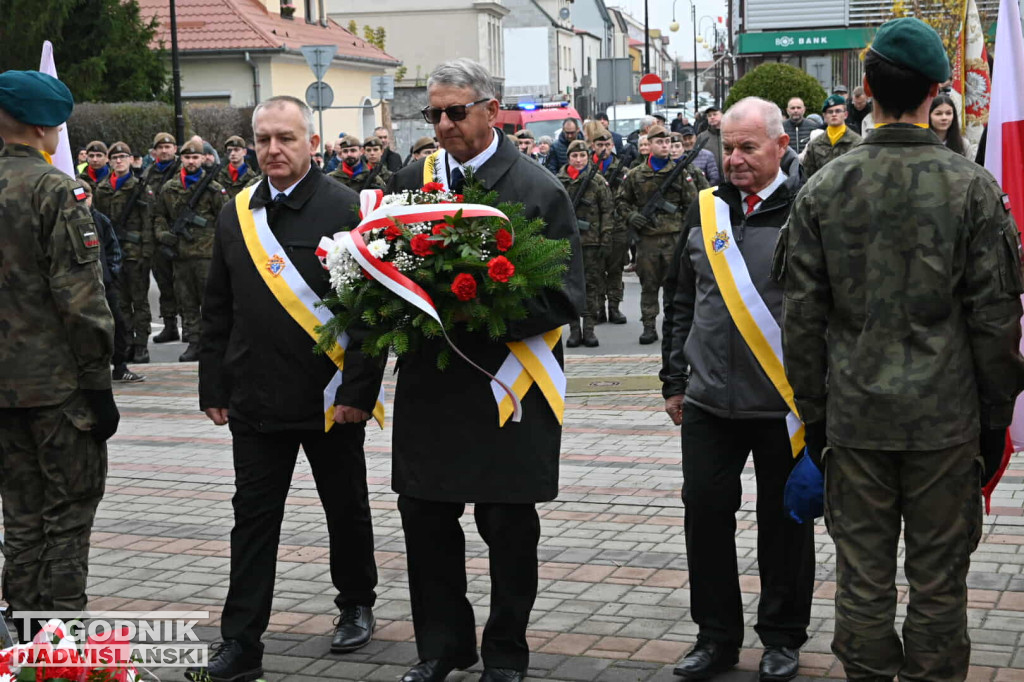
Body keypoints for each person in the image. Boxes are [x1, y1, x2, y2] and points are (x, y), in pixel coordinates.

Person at [779, 17, 1024, 681]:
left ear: (865, 88)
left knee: (861, 580)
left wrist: (815, 418)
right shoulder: (972, 188)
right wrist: (996, 418)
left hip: (854, 424)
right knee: (941, 582)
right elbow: (997, 320)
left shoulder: (824, 188)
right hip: (946, 426)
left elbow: (800, 321)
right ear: (936, 91)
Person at [387, 58, 584, 682]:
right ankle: (443, 647)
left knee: (506, 524)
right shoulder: (410, 183)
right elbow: (381, 273)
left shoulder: (537, 189)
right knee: (424, 517)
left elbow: (565, 296)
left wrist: (471, 304)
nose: (443, 124)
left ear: (490, 111)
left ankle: (505, 652)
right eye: (434, 113)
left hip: (508, 386)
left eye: (455, 111)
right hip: (431, 385)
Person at [189, 94, 385, 682]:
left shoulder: (347, 209)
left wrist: (359, 392)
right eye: (264, 139)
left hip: (329, 398)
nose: (273, 150)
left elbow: (370, 313)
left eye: (286, 139)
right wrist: (212, 385)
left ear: (312, 143)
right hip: (255, 396)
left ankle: (356, 602)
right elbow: (216, 306)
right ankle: (241, 640)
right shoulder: (237, 212)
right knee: (252, 518)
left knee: (344, 505)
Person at [661, 96, 814, 682]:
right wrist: (675, 379)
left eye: (748, 147)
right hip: (708, 404)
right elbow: (680, 297)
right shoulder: (706, 210)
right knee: (704, 519)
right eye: (727, 147)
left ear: (780, 145)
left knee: (785, 525)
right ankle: (716, 637)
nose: (735, 159)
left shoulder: (807, 208)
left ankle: (781, 636)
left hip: (781, 403)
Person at [0, 70, 118, 643]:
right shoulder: (56, 191)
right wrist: (99, 384)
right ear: (48, 126)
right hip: (58, 390)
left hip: (4, 391)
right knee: (67, 516)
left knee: (20, 517)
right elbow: (81, 298)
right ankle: (62, 642)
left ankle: (21, 638)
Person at [616, 124, 709, 344]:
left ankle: (672, 325)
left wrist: (687, 234)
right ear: (648, 145)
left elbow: (693, 205)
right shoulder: (636, 174)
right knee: (648, 286)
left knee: (674, 286)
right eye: (659, 142)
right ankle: (649, 326)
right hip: (647, 240)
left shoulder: (680, 173)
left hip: (674, 239)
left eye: (667, 142)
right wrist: (631, 217)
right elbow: (621, 201)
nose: (665, 146)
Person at [152, 139, 227, 362]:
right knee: (187, 303)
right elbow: (159, 217)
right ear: (181, 159)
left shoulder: (213, 189)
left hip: (206, 256)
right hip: (181, 256)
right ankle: (194, 343)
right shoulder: (169, 188)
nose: (191, 162)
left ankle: (214, 343)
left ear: (203, 158)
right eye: (187, 157)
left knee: (211, 303)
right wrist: (164, 235)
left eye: (195, 157)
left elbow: (225, 220)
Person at [94, 140, 153, 365]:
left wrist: (147, 253)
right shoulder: (102, 189)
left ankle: (141, 345)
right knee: (119, 303)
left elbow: (148, 221)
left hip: (136, 253)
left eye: (123, 157)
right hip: (114, 255)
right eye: (115, 158)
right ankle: (126, 343)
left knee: (139, 301)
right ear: (110, 162)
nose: (119, 161)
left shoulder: (140, 188)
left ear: (130, 160)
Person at [78, 180, 143, 384]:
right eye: (79, 197)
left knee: (118, 325)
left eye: (86, 196)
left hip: (104, 284)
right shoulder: (67, 221)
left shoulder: (100, 220)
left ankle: (120, 366)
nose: (83, 201)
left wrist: (111, 274)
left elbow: (113, 249)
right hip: (79, 286)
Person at [558, 139, 614, 347]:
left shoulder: (597, 181)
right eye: (575, 156)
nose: (579, 160)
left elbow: (607, 210)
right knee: (571, 287)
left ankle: (589, 330)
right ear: (569, 158)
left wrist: (606, 237)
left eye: (582, 156)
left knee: (591, 286)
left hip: (591, 242)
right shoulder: (559, 181)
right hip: (568, 242)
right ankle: (574, 330)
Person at [588, 124, 630, 323]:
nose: (603, 148)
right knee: (595, 270)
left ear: (612, 144)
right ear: (592, 145)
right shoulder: (586, 168)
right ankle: (598, 308)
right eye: (599, 144)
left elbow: (628, 198)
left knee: (615, 269)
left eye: (607, 144)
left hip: (616, 226)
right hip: (592, 228)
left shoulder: (622, 169)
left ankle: (614, 307)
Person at [144, 131, 182, 344]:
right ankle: (169, 326)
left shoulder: (183, 170)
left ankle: (191, 329)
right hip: (157, 236)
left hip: (180, 236)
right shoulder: (148, 173)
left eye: (168, 147)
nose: (165, 150)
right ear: (155, 151)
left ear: (175, 149)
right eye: (161, 147)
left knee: (185, 286)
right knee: (165, 285)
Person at [801, 94, 861, 178]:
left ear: (846, 114)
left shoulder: (857, 143)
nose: (834, 114)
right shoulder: (815, 144)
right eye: (830, 112)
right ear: (824, 116)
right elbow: (808, 175)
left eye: (838, 111)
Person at [929, 93, 971, 158]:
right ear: (929, 116)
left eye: (948, 113)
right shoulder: (921, 143)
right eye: (938, 114)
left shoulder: (964, 145)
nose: (944, 118)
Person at [696, 105, 724, 179]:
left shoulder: (730, 133)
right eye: (709, 116)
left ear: (722, 115)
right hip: (710, 180)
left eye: (715, 114)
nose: (712, 117)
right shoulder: (702, 137)